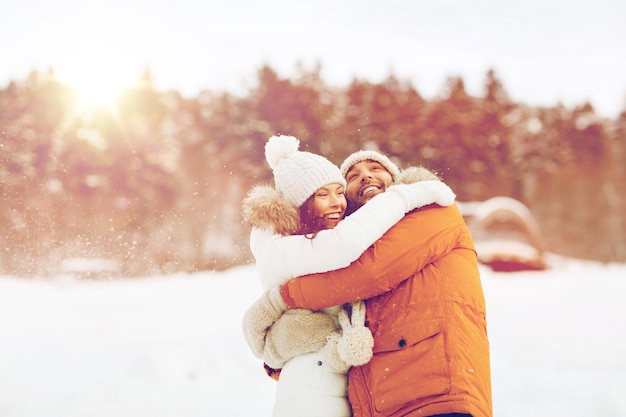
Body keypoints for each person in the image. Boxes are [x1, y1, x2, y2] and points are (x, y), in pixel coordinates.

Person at [244, 149, 493, 417]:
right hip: (378, 404)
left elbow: (369, 273)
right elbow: (334, 323)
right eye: (353, 176)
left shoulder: (431, 211)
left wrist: (285, 297)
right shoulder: (347, 248)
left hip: (436, 393)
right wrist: (283, 347)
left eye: (375, 169)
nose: (365, 177)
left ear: (395, 178)